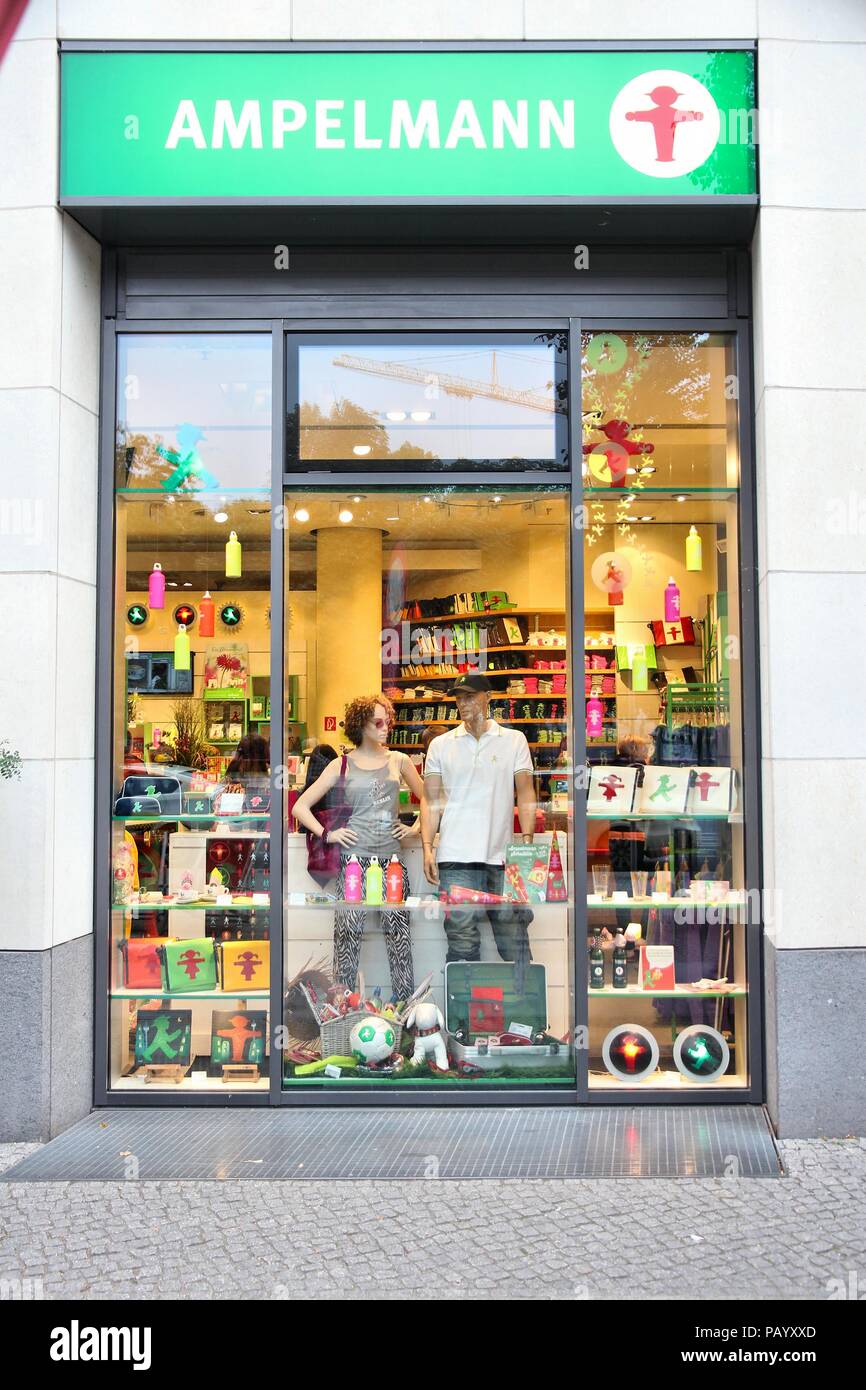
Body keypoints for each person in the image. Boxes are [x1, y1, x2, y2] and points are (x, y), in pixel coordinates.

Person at [292, 694, 423, 1001]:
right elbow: (300, 807)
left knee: (399, 942)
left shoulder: (399, 760)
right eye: (378, 722)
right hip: (353, 863)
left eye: (387, 721)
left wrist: (415, 828)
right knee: (347, 943)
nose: (385, 728)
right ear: (361, 725)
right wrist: (328, 834)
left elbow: (430, 798)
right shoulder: (342, 764)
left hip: (391, 861)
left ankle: (405, 1015)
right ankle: (342, 1013)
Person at [420, 672, 537, 965]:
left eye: (471, 696)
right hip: (455, 857)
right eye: (459, 698)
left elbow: (525, 793)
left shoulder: (513, 741)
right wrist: (427, 847)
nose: (464, 703)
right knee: (461, 941)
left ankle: (524, 1010)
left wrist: (525, 846)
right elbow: (429, 798)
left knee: (514, 939)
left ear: (489, 697)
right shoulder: (441, 745)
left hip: (502, 858)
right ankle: (462, 1011)